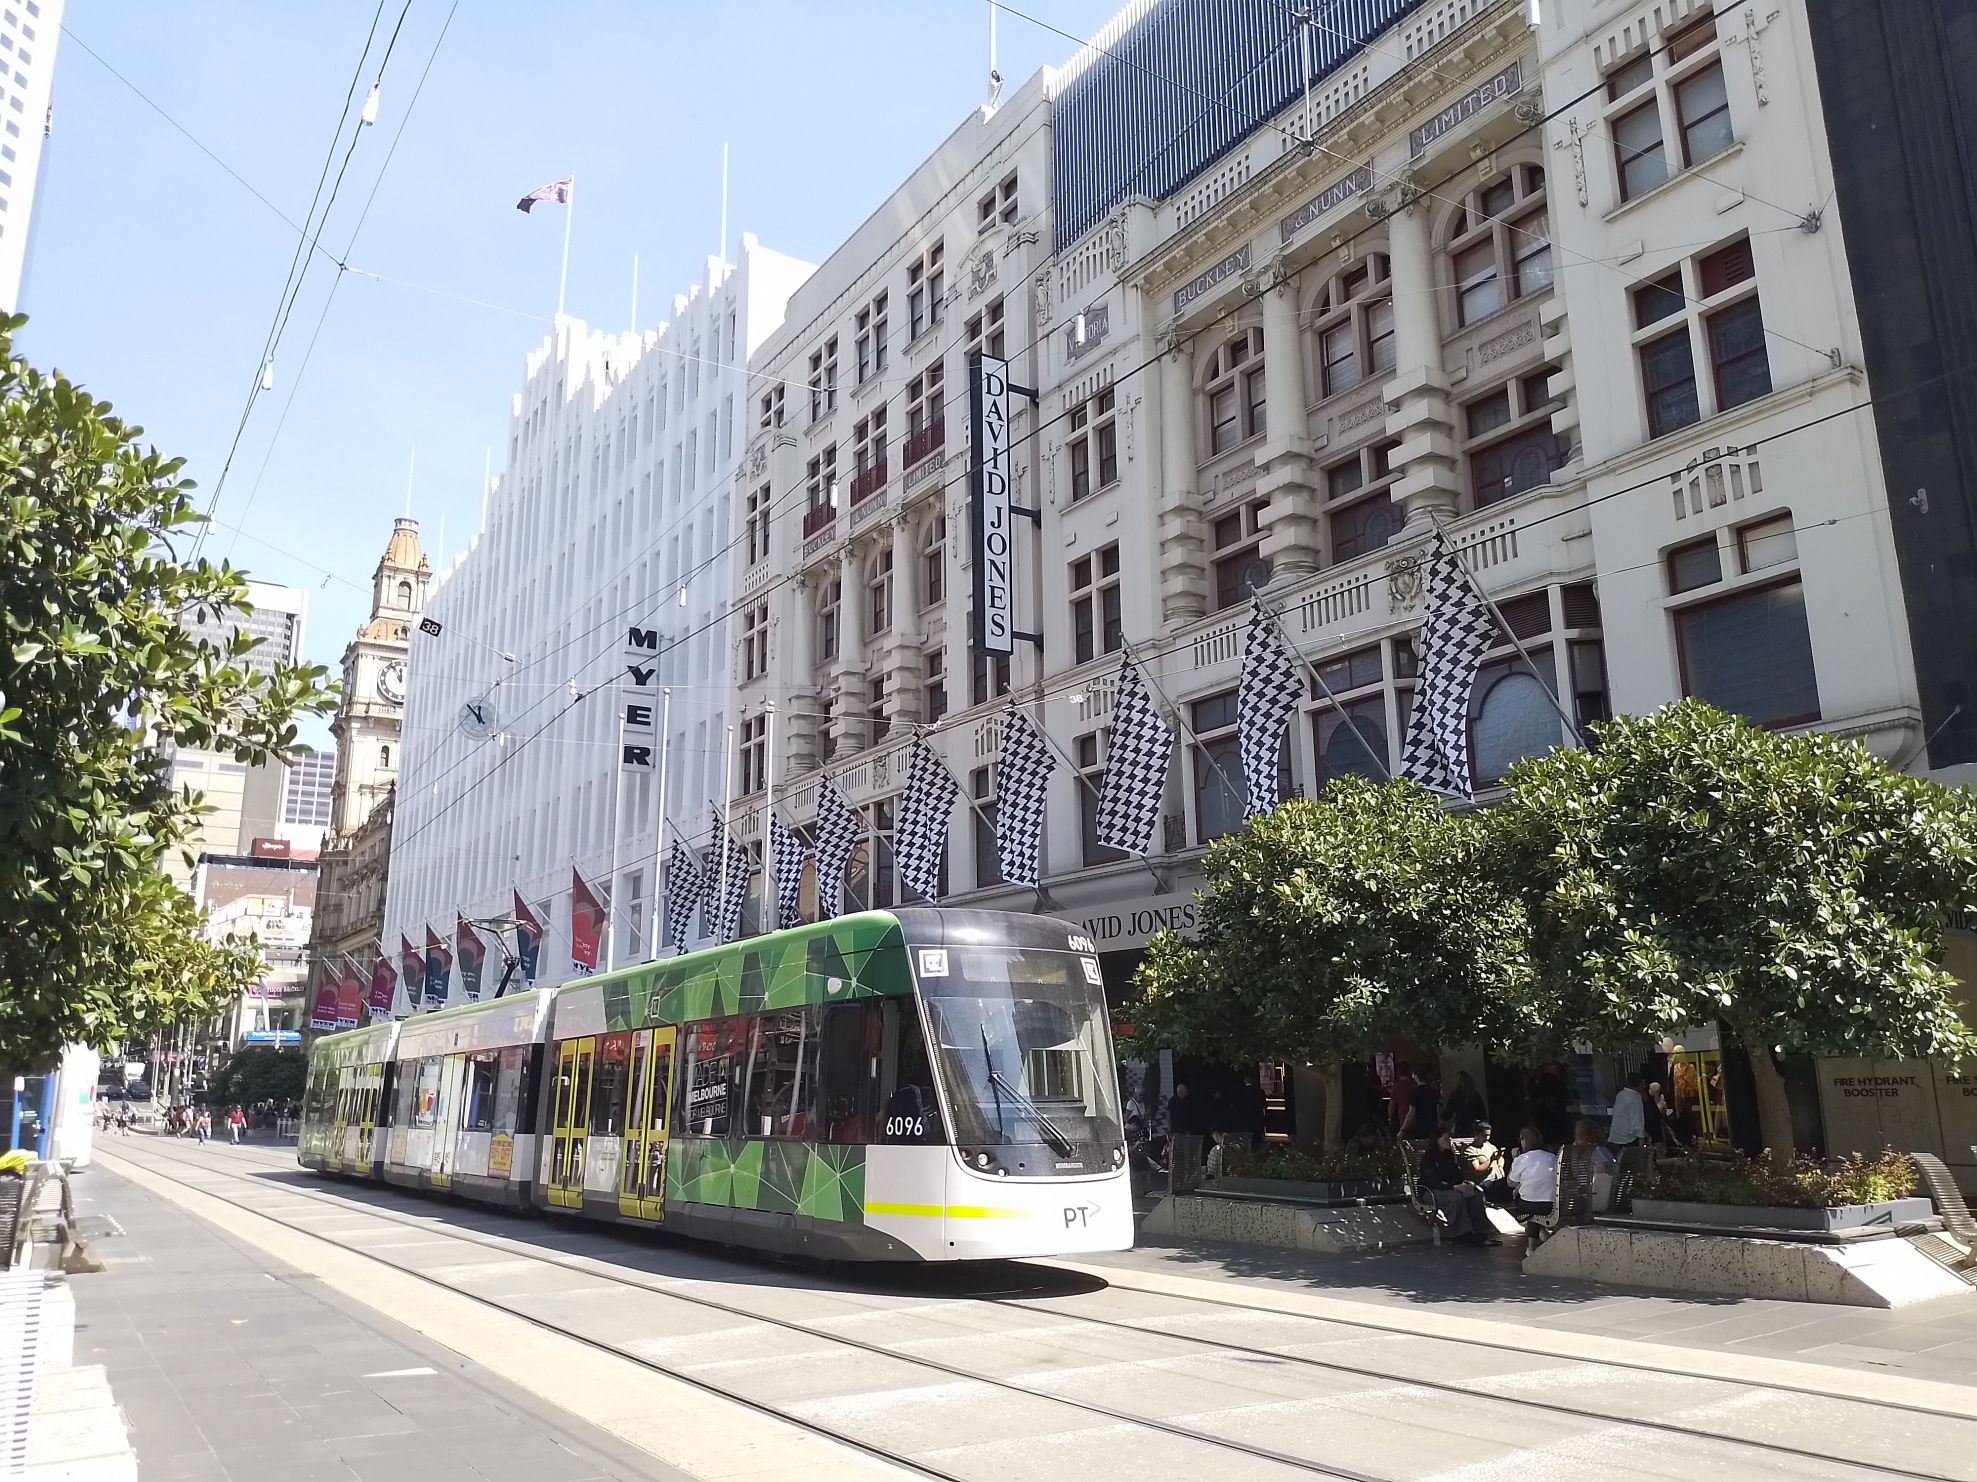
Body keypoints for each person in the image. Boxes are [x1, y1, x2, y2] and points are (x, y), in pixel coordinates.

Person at [1421, 1129, 1496, 1245]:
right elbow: (1433, 1181)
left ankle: (1480, 1231)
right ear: (1437, 1141)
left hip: (1451, 1188)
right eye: (1446, 1139)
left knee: (1476, 1194)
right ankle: (1461, 1234)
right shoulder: (1428, 1158)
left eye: (1449, 1138)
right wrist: (1453, 1187)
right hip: (1431, 1191)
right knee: (1456, 1198)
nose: (1449, 1141)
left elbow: (1457, 1174)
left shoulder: (1448, 1155)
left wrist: (1465, 1184)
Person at [1491, 1126, 1558, 1220]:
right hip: (1552, 1204)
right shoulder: (1552, 1157)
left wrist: (1515, 1158)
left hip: (1530, 1204)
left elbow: (1510, 1183)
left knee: (1518, 1196)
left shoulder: (1523, 1158)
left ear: (1524, 1140)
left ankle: (1531, 1229)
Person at [1166, 1082, 1204, 1192]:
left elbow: (1193, 1116)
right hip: (1177, 1133)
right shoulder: (1173, 1101)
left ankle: (1187, 1178)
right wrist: (1170, 1129)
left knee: (1187, 1156)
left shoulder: (1190, 1101)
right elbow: (1168, 1115)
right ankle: (1176, 1179)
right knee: (1176, 1156)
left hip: (1187, 1134)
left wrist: (1190, 1131)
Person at [1399, 1065, 1442, 1141]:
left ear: (1416, 1076)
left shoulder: (1416, 1093)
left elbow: (1411, 1113)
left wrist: (1403, 1129)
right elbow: (1438, 1110)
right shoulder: (1433, 1091)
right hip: (1433, 1128)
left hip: (1420, 1127)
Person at [1608, 1071, 1647, 1152]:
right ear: (1640, 1083)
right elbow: (1637, 1119)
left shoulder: (1620, 1094)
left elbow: (1614, 1113)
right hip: (1628, 1138)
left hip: (1615, 1135)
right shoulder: (1635, 1096)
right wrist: (1641, 1137)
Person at [1442, 1071, 1486, 1138]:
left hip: (1461, 1124)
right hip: (1473, 1124)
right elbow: (1482, 1112)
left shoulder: (1455, 1095)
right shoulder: (1475, 1095)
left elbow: (1448, 1111)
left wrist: (1442, 1120)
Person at [1387, 1062, 1416, 1134]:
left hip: (1402, 1117)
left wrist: (1390, 1118)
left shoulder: (1396, 1086)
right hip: (1416, 1116)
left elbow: (1392, 1105)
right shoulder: (1414, 1084)